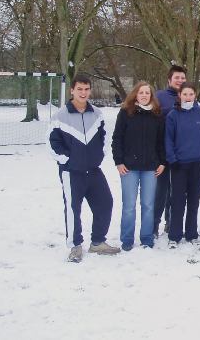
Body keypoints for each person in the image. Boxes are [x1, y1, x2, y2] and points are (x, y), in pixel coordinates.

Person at [48, 74, 120, 262]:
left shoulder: (97, 113)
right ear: (72, 90)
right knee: (73, 209)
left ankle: (97, 242)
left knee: (106, 203)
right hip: (72, 172)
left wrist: (98, 156)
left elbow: (103, 137)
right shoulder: (60, 116)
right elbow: (52, 143)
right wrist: (68, 161)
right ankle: (75, 246)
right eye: (79, 89)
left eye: (86, 89)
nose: (83, 92)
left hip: (94, 170)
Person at [112, 81, 166, 251]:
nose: (144, 95)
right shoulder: (125, 113)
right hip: (129, 168)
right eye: (141, 92)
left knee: (149, 205)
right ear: (135, 94)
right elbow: (117, 139)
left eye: (147, 93)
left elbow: (161, 142)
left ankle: (147, 238)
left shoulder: (157, 115)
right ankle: (127, 239)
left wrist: (162, 162)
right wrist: (119, 161)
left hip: (151, 168)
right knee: (129, 206)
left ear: (151, 96)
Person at [165, 82, 200, 248]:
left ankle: (191, 232)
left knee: (194, 200)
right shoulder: (173, 115)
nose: (188, 97)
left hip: (198, 163)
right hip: (179, 164)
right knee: (178, 200)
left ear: (195, 96)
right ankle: (175, 234)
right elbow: (168, 139)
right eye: (185, 94)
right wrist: (172, 159)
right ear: (180, 95)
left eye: (191, 94)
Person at [154, 65, 187, 236]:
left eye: (182, 78)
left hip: (181, 152)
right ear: (169, 80)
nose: (180, 81)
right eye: (177, 78)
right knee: (161, 191)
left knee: (176, 191)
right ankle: (154, 225)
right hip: (162, 152)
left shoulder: (188, 98)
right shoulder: (159, 96)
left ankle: (170, 222)